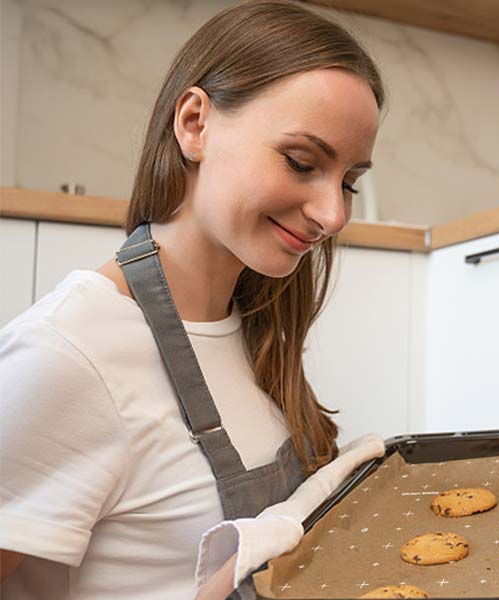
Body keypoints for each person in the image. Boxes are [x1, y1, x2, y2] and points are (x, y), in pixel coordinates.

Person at [0, 1, 387, 598]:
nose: (332, 214)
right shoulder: (68, 354)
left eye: (348, 182)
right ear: (195, 124)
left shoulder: (258, 326)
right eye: (301, 161)